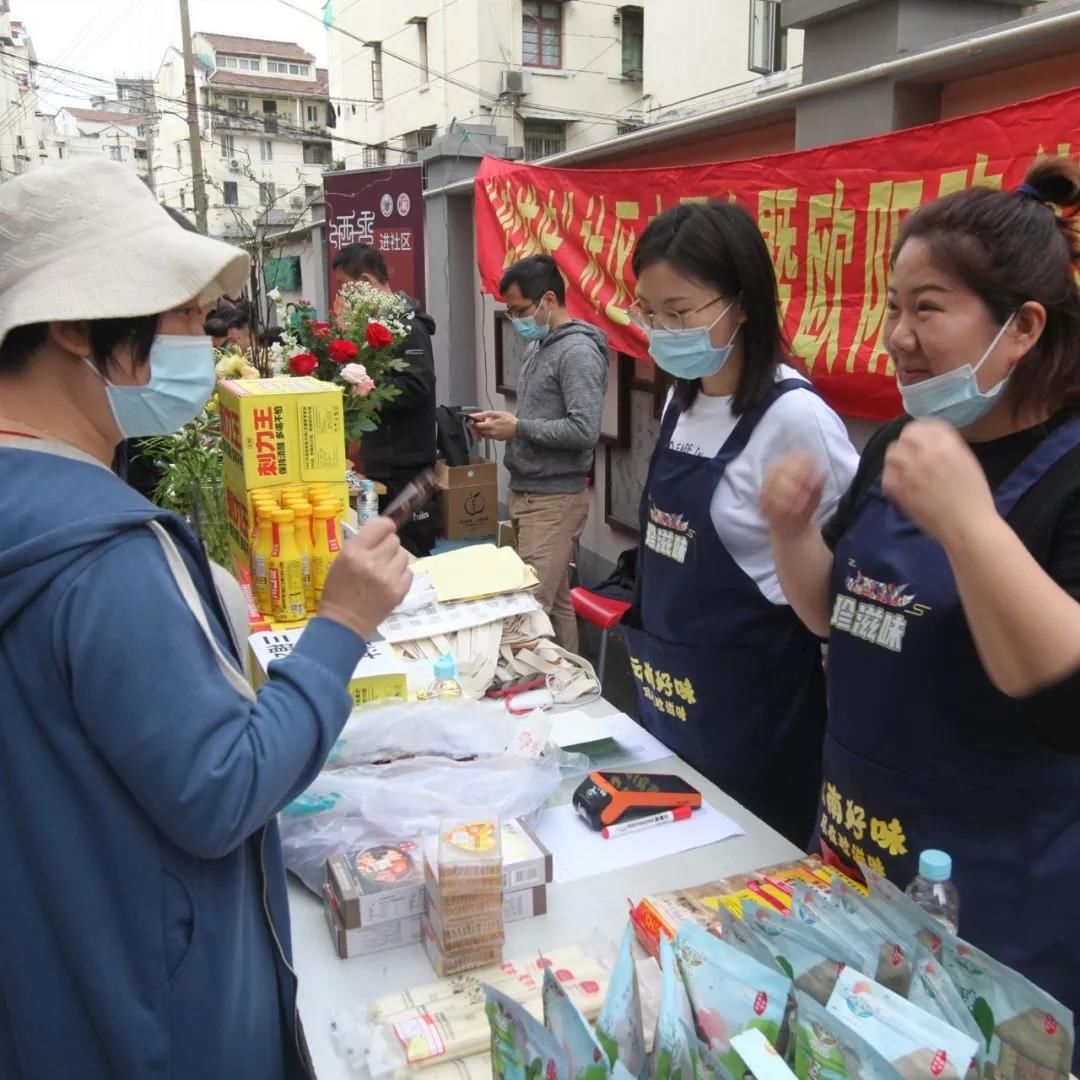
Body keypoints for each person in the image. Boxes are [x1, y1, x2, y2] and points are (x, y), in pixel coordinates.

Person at [0, 160, 411, 1079]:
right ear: (74, 325)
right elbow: (222, 789)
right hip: (162, 1022)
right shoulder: (103, 553)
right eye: (183, 313)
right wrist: (341, 623)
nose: (204, 337)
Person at [761, 156, 1080, 1044]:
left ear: (1021, 328)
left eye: (927, 308)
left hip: (998, 904)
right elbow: (839, 615)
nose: (897, 334)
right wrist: (792, 535)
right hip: (857, 857)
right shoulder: (903, 441)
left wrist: (969, 523)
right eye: (893, 307)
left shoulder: (1067, 471)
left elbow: (1063, 698)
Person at [622, 201, 859, 846]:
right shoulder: (682, 399)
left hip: (756, 721)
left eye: (680, 311)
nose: (662, 329)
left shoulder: (796, 419)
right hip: (670, 702)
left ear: (743, 303)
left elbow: (852, 586)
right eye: (650, 311)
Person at [472, 254, 608, 652]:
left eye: (519, 310)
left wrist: (518, 428)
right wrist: (508, 422)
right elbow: (543, 417)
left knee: (528, 609)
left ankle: (538, 691)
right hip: (529, 491)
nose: (515, 320)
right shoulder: (541, 344)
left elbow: (584, 429)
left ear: (549, 300)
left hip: (554, 500)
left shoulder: (577, 352)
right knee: (558, 603)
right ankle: (572, 684)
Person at [332, 242, 440, 555]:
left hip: (406, 467)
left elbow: (417, 385)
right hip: (382, 463)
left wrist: (366, 387)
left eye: (343, 287)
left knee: (409, 555)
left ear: (365, 283)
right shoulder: (373, 325)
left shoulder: (409, 327)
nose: (341, 297)